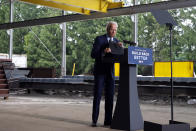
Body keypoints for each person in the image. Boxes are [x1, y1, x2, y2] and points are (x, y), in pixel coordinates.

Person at [91, 21, 123, 127]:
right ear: (107, 29)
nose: (114, 32)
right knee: (98, 96)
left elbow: (117, 57)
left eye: (115, 30)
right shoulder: (99, 39)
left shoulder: (116, 41)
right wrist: (104, 51)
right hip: (100, 72)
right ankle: (94, 121)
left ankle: (108, 121)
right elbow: (93, 54)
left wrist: (120, 49)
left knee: (110, 97)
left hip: (110, 73)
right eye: (112, 29)